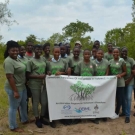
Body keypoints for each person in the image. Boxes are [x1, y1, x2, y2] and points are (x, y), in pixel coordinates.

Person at [4, 40, 28, 133]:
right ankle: (13, 127)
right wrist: (15, 91)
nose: (15, 52)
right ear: (8, 51)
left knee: (23, 104)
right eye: (13, 50)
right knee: (13, 107)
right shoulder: (9, 61)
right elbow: (9, 77)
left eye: (16, 50)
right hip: (14, 88)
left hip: (22, 87)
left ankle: (24, 120)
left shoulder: (17, 59)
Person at [26, 45, 48, 128]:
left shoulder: (43, 59)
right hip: (34, 84)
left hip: (43, 83)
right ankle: (37, 119)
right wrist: (38, 77)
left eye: (40, 49)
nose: (39, 50)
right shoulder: (30, 61)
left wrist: (47, 73)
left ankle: (42, 117)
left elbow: (46, 70)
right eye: (37, 49)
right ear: (34, 50)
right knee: (35, 102)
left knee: (44, 102)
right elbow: (27, 75)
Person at [47, 46, 69, 127]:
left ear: (60, 53)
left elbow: (67, 72)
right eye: (55, 52)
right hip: (52, 85)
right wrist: (49, 73)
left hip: (62, 85)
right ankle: (52, 119)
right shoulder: (49, 62)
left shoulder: (64, 61)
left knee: (62, 101)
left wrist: (61, 73)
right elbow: (47, 72)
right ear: (53, 52)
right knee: (52, 102)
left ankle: (62, 117)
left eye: (58, 52)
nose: (57, 54)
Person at [93, 49, 109, 123]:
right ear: (96, 54)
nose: (100, 55)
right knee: (96, 99)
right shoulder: (92, 62)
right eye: (98, 53)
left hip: (104, 84)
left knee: (104, 99)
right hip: (95, 84)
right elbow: (92, 72)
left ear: (103, 55)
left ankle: (104, 115)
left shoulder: (106, 62)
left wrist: (104, 78)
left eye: (101, 54)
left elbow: (107, 71)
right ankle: (96, 116)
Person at [109, 48, 126, 119]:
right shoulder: (110, 61)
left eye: (117, 52)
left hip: (120, 83)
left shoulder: (122, 61)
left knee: (119, 98)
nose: (115, 54)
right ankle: (111, 112)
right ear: (112, 53)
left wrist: (120, 75)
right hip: (112, 83)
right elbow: (109, 72)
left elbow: (125, 72)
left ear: (119, 53)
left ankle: (117, 113)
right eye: (114, 52)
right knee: (112, 98)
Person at [120, 47, 135, 123]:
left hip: (130, 81)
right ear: (121, 52)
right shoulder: (119, 60)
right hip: (122, 81)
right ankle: (124, 112)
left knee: (128, 98)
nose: (124, 53)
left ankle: (127, 116)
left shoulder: (131, 60)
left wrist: (128, 80)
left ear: (127, 52)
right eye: (123, 52)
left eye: (125, 52)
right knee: (123, 97)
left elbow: (134, 72)